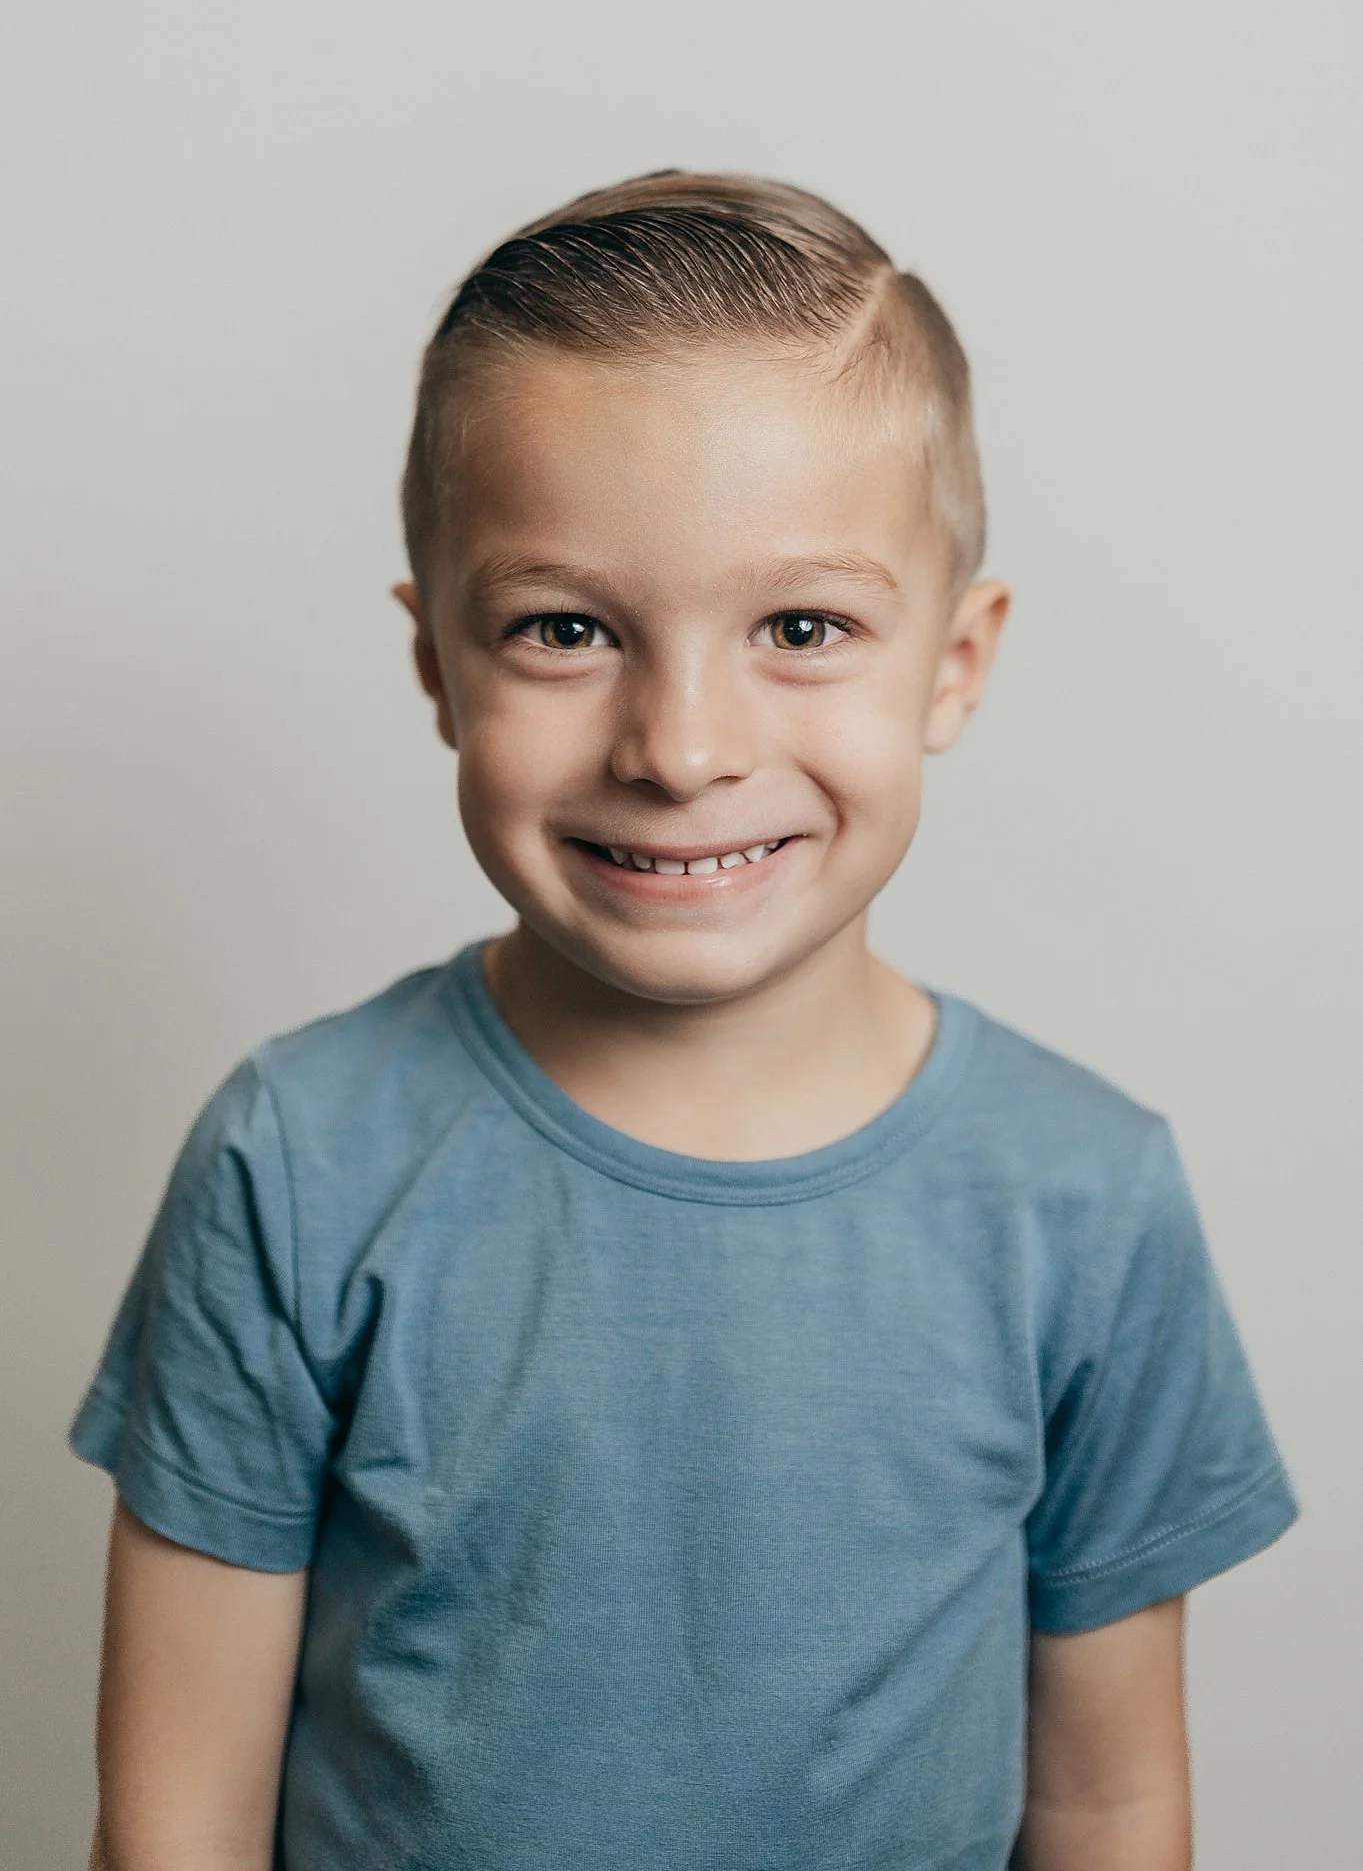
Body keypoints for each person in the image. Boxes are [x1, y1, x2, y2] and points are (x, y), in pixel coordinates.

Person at [73, 171, 1298, 1871]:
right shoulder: (298, 1158)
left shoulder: (1083, 1199)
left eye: (802, 627)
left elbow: (1103, 1801)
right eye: (565, 628)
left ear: (953, 661)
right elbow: (179, 1815)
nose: (680, 744)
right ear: (437, 664)